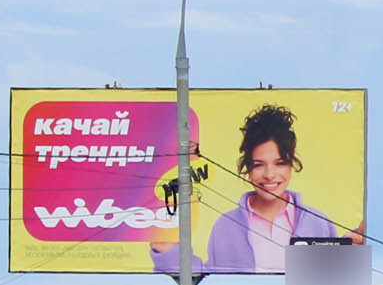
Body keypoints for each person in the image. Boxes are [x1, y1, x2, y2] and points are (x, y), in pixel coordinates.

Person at [152, 102, 361, 273]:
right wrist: (167, 252)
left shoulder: (317, 222)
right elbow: (212, 283)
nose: (270, 175)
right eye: (259, 165)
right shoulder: (226, 226)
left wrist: (348, 256)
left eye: (280, 163)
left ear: (292, 165)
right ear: (247, 168)